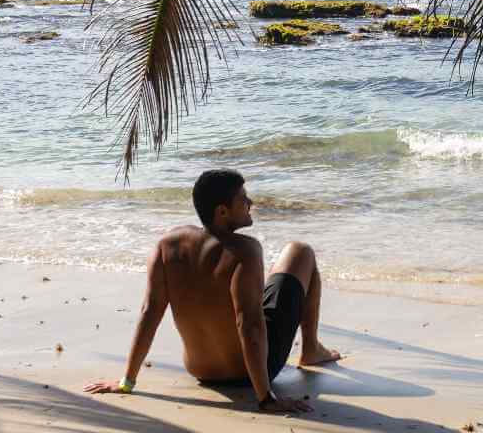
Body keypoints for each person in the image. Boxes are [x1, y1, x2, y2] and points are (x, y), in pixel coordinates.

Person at [85, 169, 340, 414]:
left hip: (201, 371)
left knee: (267, 284)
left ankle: (310, 349)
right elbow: (248, 324)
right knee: (300, 251)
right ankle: (310, 349)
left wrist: (126, 382)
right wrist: (265, 398)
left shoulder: (167, 246)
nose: (250, 202)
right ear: (222, 211)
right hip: (251, 373)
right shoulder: (244, 250)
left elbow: (150, 312)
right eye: (243, 199)